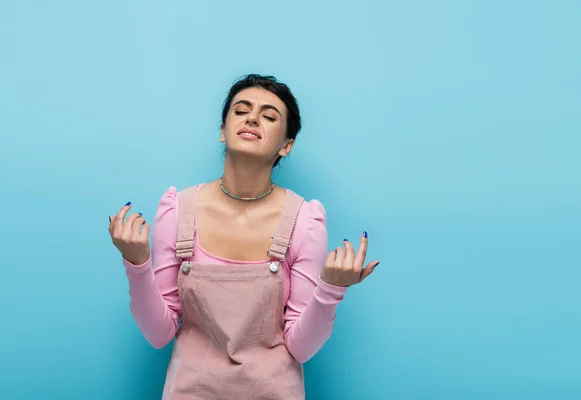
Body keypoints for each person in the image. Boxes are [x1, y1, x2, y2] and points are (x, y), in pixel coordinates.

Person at [108, 74, 379, 399]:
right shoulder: (177, 210)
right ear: (223, 131)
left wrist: (330, 289)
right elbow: (158, 333)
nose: (252, 117)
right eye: (241, 110)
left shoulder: (304, 221)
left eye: (269, 116)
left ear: (286, 145)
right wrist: (136, 264)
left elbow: (301, 347)